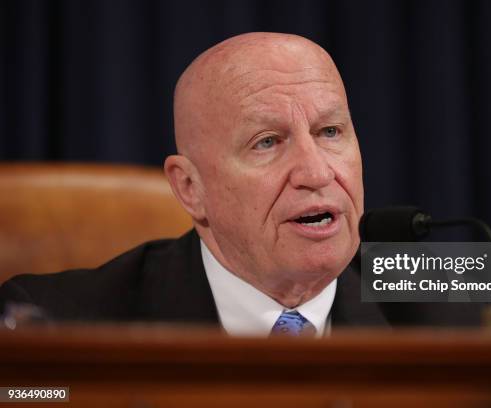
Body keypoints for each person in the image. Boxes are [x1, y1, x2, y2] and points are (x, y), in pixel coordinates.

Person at [0, 32, 389, 336]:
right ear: (190, 187)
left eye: (331, 131)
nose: (317, 174)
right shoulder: (50, 322)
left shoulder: (440, 285)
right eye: (266, 142)